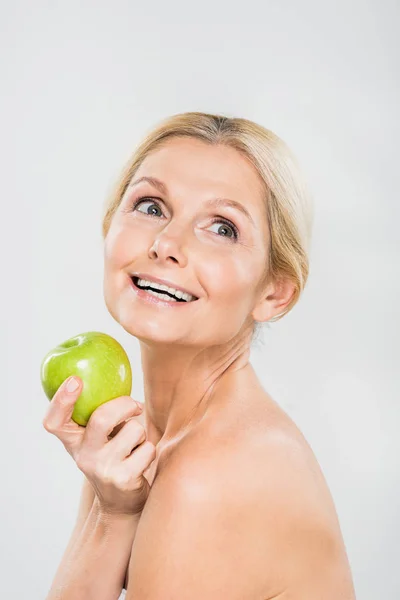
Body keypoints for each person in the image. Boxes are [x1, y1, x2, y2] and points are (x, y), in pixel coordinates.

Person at [43, 112, 356, 599]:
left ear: (274, 293)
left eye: (222, 228)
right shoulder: (137, 438)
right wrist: (114, 511)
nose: (167, 243)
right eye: (150, 206)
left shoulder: (217, 473)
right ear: (109, 228)